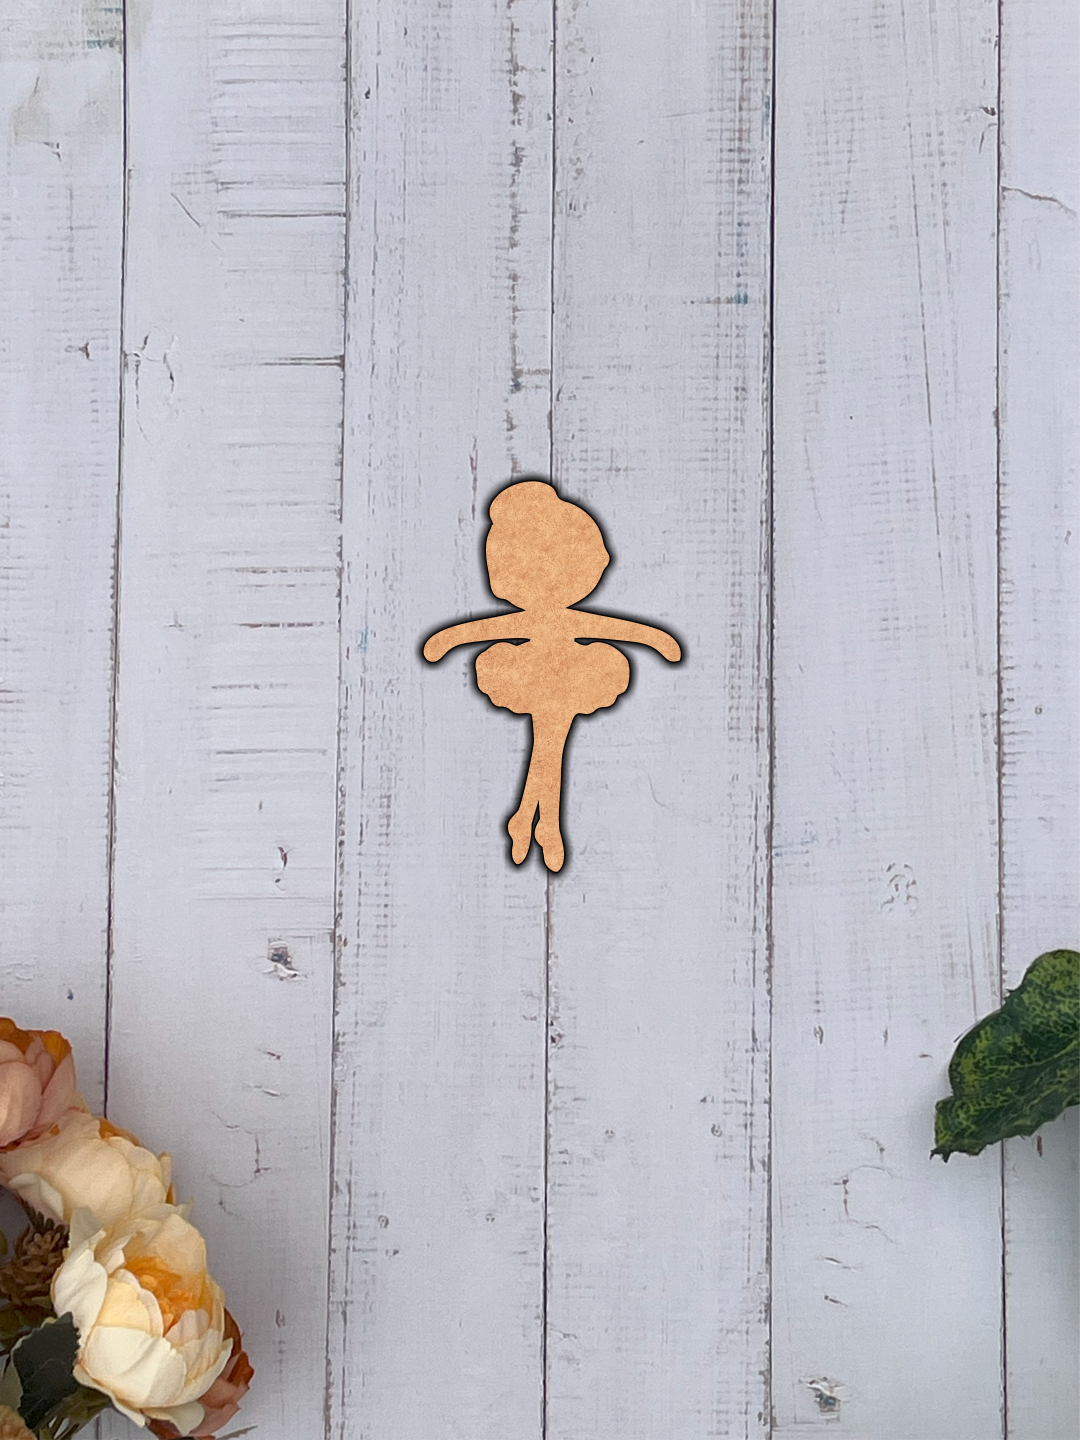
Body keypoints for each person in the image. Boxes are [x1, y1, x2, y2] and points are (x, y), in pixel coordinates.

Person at [423, 479, 681, 872]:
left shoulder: (565, 617)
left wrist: (656, 639)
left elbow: (614, 628)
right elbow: (485, 630)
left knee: (550, 733)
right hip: (529, 671)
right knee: (552, 735)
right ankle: (542, 823)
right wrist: (446, 640)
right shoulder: (535, 617)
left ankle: (531, 817)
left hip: (572, 671)